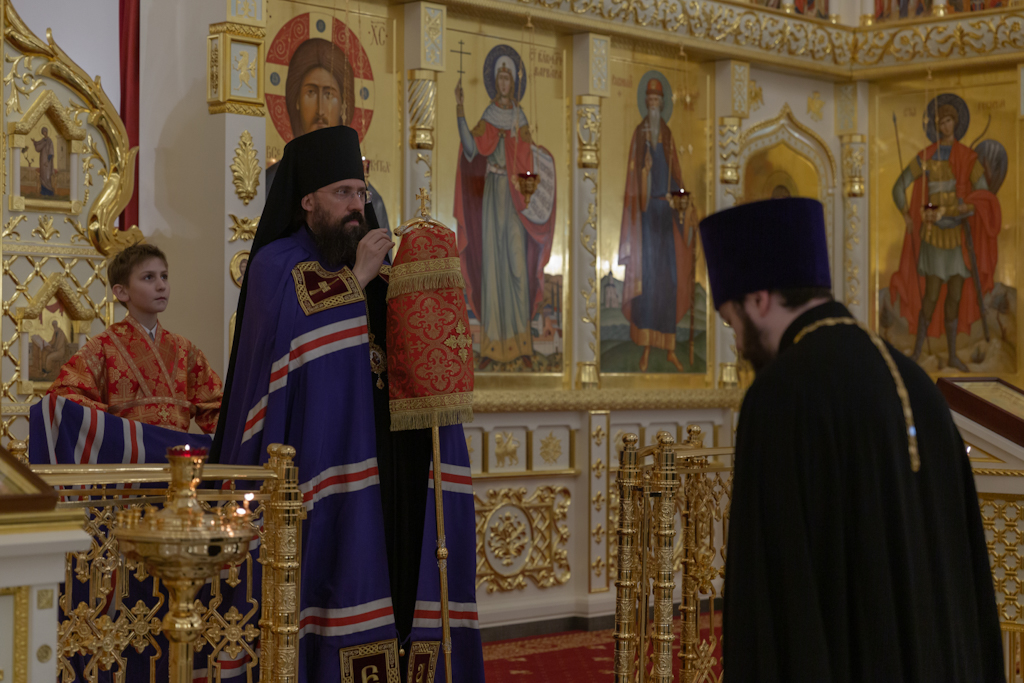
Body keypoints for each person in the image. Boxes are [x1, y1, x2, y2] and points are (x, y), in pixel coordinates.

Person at [213, 126, 484, 682]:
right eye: (342, 193)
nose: (357, 205)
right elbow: (293, 355)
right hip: (315, 470)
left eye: (360, 192)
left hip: (389, 466)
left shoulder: (376, 266)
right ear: (307, 201)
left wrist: (418, 288)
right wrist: (355, 280)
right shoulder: (276, 264)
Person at [699, 197, 1003, 682]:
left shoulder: (781, 395)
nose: (737, 341)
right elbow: (966, 581)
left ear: (758, 299)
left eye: (731, 320)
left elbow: (772, 593)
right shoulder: (916, 383)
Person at [48, 243, 223, 433]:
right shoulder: (102, 347)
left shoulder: (184, 349)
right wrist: (112, 422)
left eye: (164, 276)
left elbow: (216, 408)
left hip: (176, 451)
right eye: (149, 277)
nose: (161, 286)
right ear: (121, 292)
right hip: (126, 449)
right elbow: (62, 396)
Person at [453, 52, 556, 370]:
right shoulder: (488, 116)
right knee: (492, 267)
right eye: (499, 77)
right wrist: (460, 110)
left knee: (516, 266)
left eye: (507, 77)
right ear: (494, 82)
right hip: (491, 197)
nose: (503, 82)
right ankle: (492, 348)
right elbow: (471, 149)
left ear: (513, 83)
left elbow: (529, 158)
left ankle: (522, 345)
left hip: (514, 201)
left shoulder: (519, 119)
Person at [890, 101, 1000, 371]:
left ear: (956, 123)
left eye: (948, 121)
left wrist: (966, 206)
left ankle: (951, 355)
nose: (945, 126)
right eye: (940, 122)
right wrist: (907, 215)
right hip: (933, 239)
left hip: (958, 239)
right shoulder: (926, 156)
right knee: (931, 296)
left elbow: (984, 196)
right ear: (936, 127)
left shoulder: (968, 158)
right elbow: (899, 186)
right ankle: (918, 352)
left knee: (955, 297)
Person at [268, 37, 392, 235]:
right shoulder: (272, 183)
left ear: (343, 105)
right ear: (296, 100)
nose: (320, 110)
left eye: (329, 95)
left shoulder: (372, 201)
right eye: (311, 92)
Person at [619, 76, 696, 372]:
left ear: (662, 105)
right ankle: (646, 350)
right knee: (648, 283)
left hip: (666, 216)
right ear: (645, 104)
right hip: (646, 217)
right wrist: (645, 173)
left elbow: (676, 177)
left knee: (669, 283)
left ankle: (670, 350)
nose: (653, 106)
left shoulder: (667, 134)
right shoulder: (640, 135)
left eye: (657, 102)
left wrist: (683, 202)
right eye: (649, 101)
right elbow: (633, 182)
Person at [32, 126, 55, 196]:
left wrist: (47, 160)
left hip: (47, 162)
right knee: (42, 175)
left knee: (47, 176)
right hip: (42, 160)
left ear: (47, 132)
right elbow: (38, 147)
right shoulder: (42, 140)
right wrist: (34, 142)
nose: (44, 133)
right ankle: (43, 191)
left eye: (45, 132)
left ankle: (49, 191)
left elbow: (51, 151)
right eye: (43, 132)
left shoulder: (49, 141)